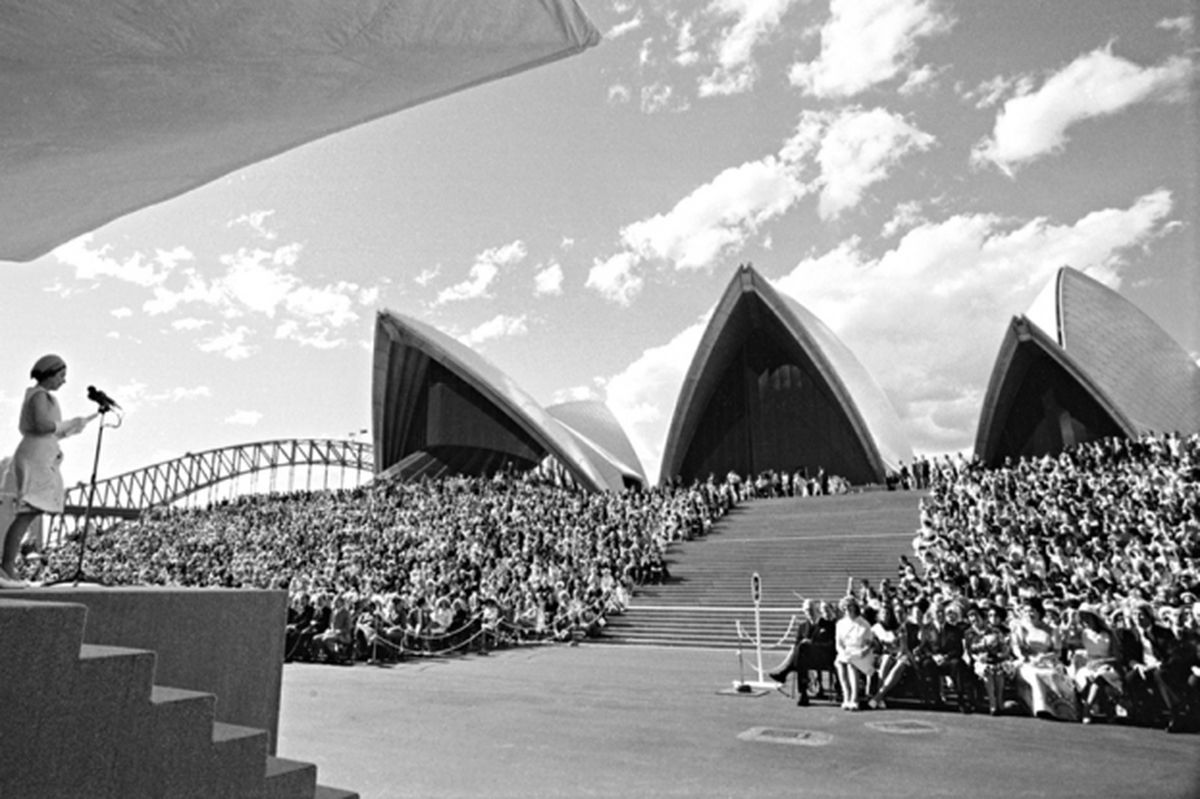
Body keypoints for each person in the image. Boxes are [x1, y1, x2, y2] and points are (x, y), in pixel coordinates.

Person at [1, 354, 96, 588]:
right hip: (35, 459)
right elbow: (42, 426)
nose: (63, 381)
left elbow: (46, 430)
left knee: (28, 514)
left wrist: (73, 427)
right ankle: (6, 569)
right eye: (61, 376)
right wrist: (67, 425)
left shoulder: (41, 396)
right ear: (50, 374)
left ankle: (7, 569)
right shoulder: (40, 395)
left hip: (39, 455)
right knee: (26, 514)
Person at [1011, 597, 1078, 721]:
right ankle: (1041, 708)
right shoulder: (1021, 628)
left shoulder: (1051, 630)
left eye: (1032, 611)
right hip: (1027, 662)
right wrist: (1023, 657)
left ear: (1039, 612)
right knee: (1035, 675)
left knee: (1051, 674)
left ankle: (1060, 710)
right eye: (1026, 611)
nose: (1029, 614)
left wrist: (1044, 657)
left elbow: (1057, 652)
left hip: (1048, 661)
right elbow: (1016, 647)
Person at [1069, 608, 1123, 724]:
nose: (1086, 621)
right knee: (1085, 677)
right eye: (1083, 618)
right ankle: (1107, 707)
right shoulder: (1084, 633)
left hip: (1107, 666)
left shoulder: (1108, 634)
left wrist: (1102, 662)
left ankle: (1087, 709)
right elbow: (1069, 640)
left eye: (1088, 617)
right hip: (1090, 665)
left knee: (1100, 677)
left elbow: (1117, 657)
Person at [834, 596, 876, 711]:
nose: (847, 608)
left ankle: (855, 698)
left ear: (855, 607)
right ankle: (846, 695)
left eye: (850, 606)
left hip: (862, 654)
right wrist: (843, 653)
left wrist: (862, 652)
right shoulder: (840, 624)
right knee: (839, 662)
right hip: (847, 652)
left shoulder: (864, 624)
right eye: (845, 606)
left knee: (852, 664)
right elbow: (839, 644)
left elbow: (869, 644)